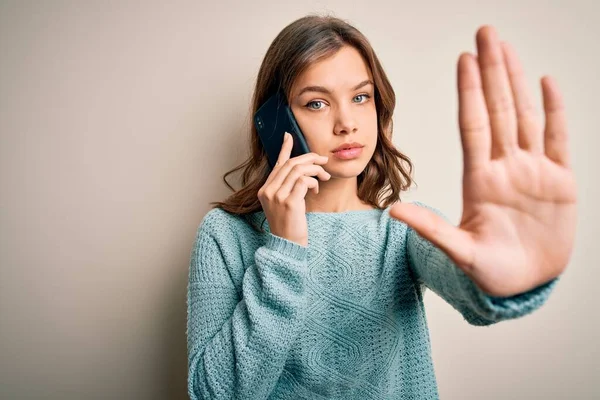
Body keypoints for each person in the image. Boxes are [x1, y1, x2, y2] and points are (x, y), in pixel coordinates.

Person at [186, 14, 577, 400]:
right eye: (317, 103)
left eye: (360, 97)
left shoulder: (403, 229)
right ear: (275, 121)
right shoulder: (225, 234)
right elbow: (213, 393)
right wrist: (284, 250)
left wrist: (505, 279)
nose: (347, 123)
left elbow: (472, 291)